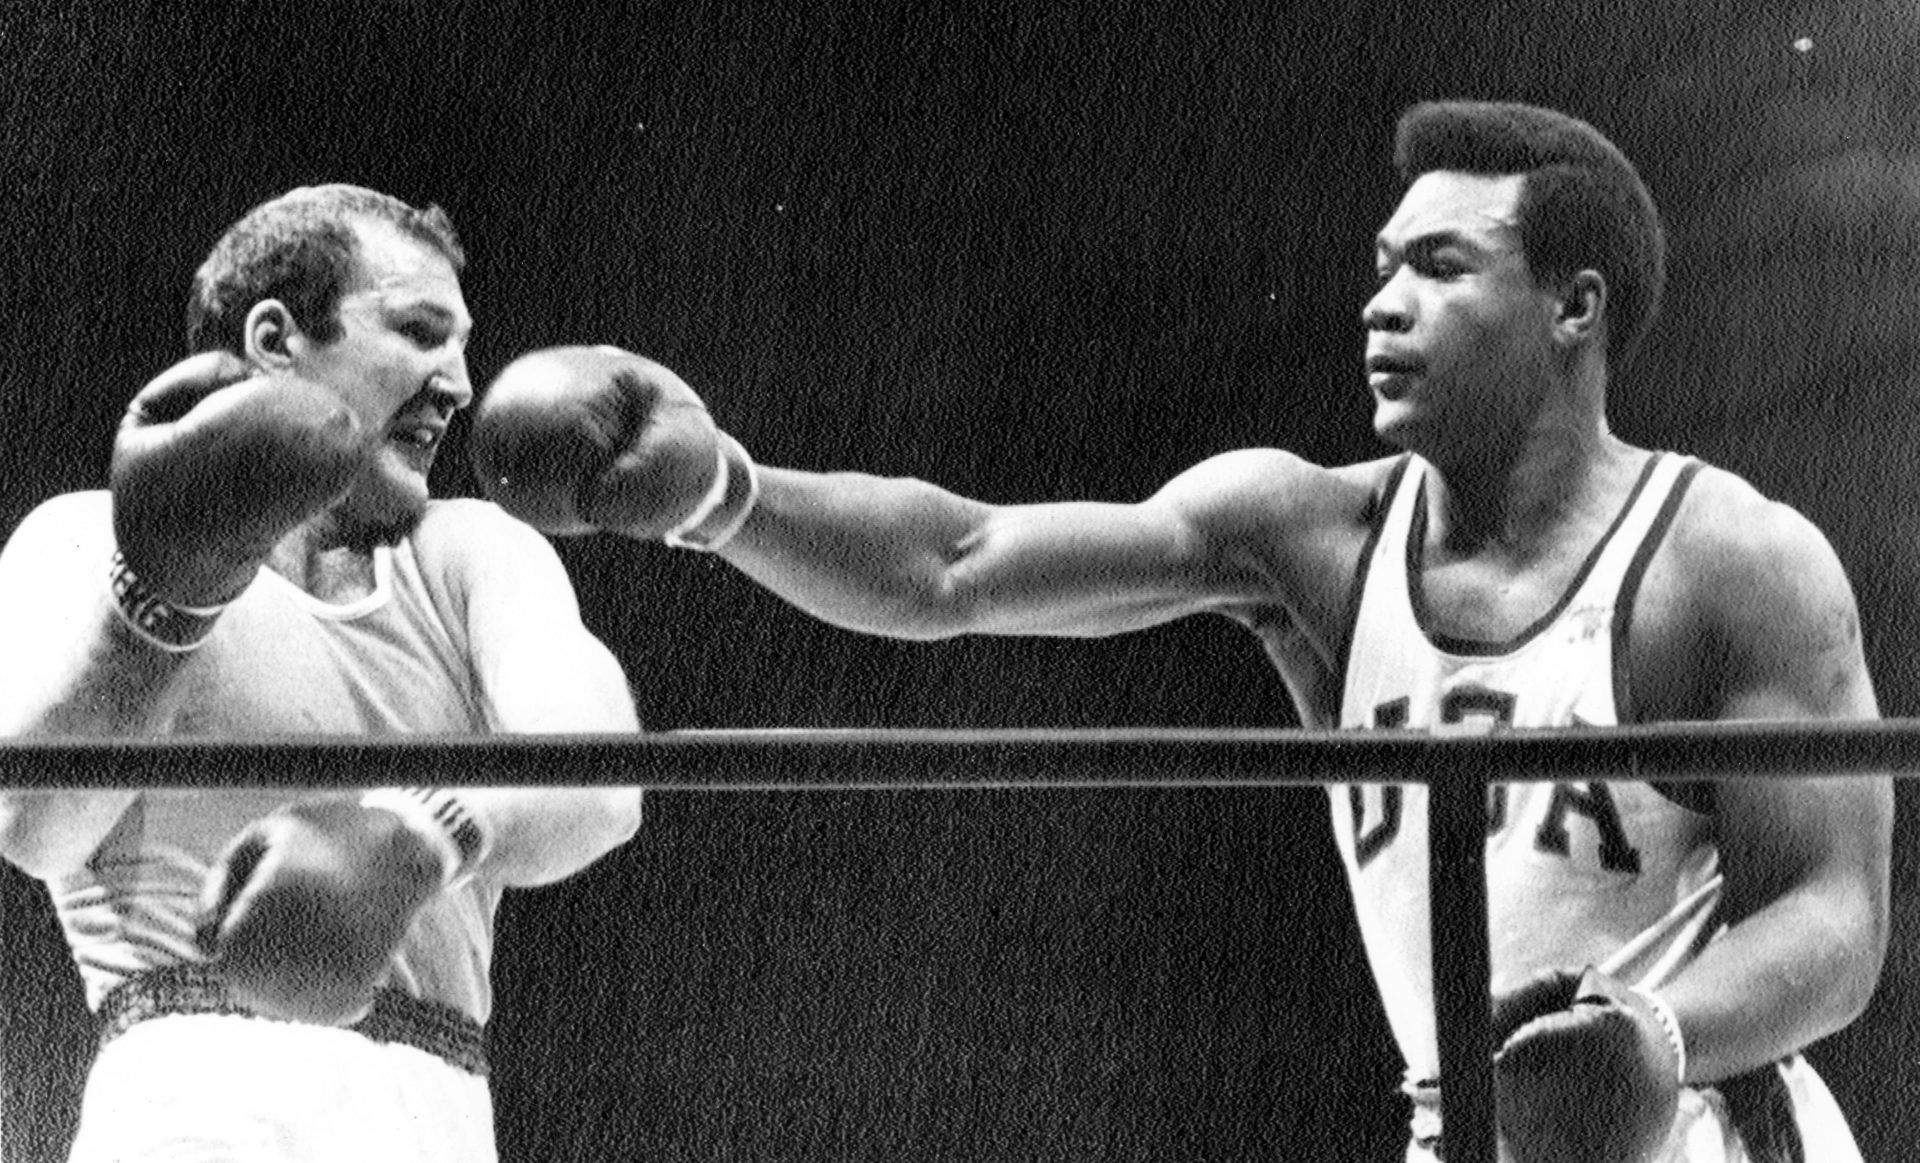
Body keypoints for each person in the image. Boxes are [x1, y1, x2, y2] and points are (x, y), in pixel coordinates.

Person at [466, 102, 1893, 1161]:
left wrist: (1658, 1036)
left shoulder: (1731, 561)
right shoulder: (1307, 532)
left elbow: (1835, 910)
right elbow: (960, 559)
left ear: (1573, 305)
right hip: (1454, 1126)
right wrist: (730, 493)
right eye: (1382, 263)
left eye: (1442, 266)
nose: (1382, 302)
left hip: (1707, 1124)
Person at [0, 184, 644, 1163]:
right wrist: (167, 594)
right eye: (421, 330)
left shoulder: (471, 553)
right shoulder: (85, 536)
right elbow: (34, 826)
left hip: (434, 1109)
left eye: (463, 343)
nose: (461, 381)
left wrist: (424, 833)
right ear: (275, 337)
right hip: (189, 1099)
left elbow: (604, 783)